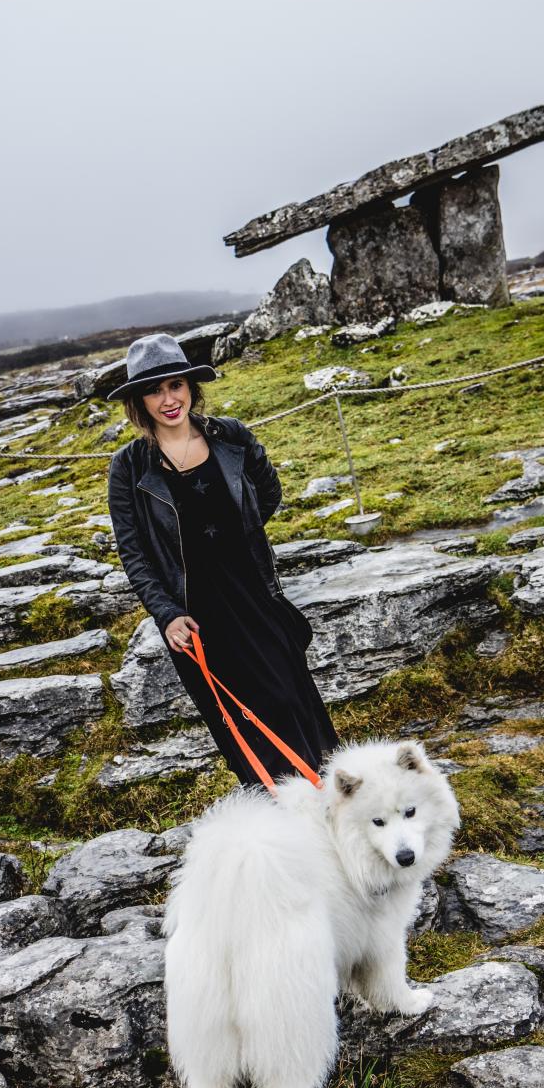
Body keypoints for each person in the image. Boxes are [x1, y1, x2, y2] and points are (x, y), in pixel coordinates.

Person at [106, 333, 340, 788]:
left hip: (256, 595)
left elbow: (267, 493)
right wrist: (168, 614)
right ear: (139, 400)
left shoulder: (231, 436)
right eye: (155, 390)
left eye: (176, 385)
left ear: (192, 387)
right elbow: (133, 554)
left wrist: (235, 540)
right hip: (197, 618)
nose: (169, 399)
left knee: (292, 699)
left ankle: (331, 802)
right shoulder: (129, 467)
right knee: (240, 723)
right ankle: (280, 821)